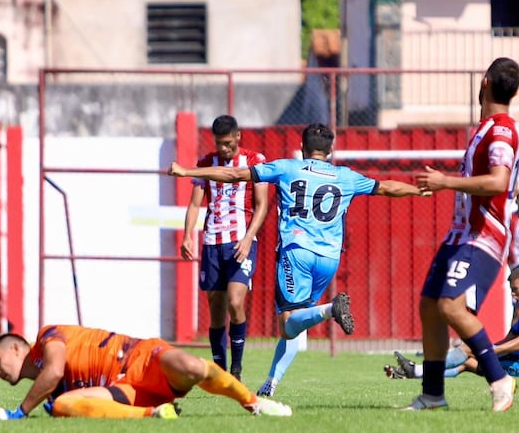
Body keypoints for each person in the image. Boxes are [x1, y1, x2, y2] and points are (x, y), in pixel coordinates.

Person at [169, 123, 428, 397]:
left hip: (297, 253)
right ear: (331, 149)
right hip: (329, 259)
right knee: (298, 321)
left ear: (303, 148)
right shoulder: (346, 176)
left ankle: (331, 310)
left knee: (288, 323)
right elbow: (386, 187)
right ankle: (272, 382)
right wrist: (417, 190)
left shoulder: (287, 168)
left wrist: (187, 172)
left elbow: (233, 174)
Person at [410, 57, 519, 412]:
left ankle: (499, 379)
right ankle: (432, 396)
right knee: (430, 306)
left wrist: (445, 182)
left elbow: (498, 181)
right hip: (460, 234)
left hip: (483, 236)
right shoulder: (486, 127)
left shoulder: (501, 130)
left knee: (450, 305)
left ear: (485, 82)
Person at [0, 324, 292, 419]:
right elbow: (53, 384)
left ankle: (253, 401)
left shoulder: (47, 337)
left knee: (193, 367)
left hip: (142, 358)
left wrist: (19, 413)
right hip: (125, 389)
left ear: (15, 348)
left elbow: (52, 371)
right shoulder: (51, 387)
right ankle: (155, 414)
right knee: (63, 406)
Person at [180, 115, 270, 381]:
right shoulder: (206, 164)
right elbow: (196, 203)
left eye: (228, 143)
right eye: (220, 144)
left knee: (235, 301)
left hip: (241, 242)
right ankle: (220, 372)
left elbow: (261, 205)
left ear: (238, 136)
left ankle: (237, 368)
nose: (224, 149)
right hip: (212, 243)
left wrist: (248, 237)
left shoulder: (255, 161)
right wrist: (187, 235)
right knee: (216, 309)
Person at [385, 265, 519, 379]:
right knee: (467, 358)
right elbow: (508, 340)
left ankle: (416, 370)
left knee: (469, 353)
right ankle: (414, 372)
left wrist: (487, 351)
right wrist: (486, 350)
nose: (513, 295)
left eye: (515, 290)